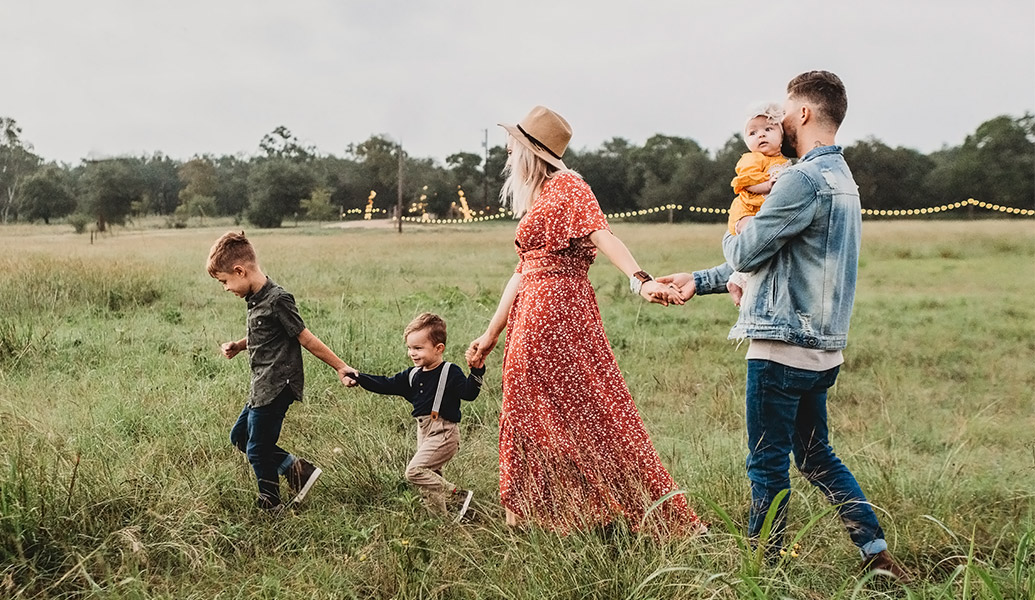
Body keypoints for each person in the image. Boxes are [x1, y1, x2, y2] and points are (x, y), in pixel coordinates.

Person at [658, 72, 909, 580]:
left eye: (786, 111)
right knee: (817, 456)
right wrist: (701, 280)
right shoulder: (843, 180)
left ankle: (761, 571)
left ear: (806, 114)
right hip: (823, 350)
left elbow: (749, 249)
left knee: (766, 462)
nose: (779, 120)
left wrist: (737, 229)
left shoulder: (800, 179)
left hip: (781, 346)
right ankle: (876, 555)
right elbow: (781, 257)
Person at [466, 105, 705, 535]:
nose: (506, 151)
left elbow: (603, 234)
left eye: (512, 145)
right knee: (531, 413)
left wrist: (640, 280)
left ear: (530, 151)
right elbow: (521, 272)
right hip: (533, 314)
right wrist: (490, 334)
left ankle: (620, 510)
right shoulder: (541, 195)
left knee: (591, 410)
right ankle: (536, 514)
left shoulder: (568, 186)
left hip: (557, 314)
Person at [207, 231, 355, 512]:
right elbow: (265, 335)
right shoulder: (256, 299)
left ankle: (271, 503)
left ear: (240, 271)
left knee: (257, 448)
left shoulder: (278, 299)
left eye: (225, 281)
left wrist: (341, 367)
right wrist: (239, 345)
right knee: (240, 437)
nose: (225, 288)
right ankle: (297, 470)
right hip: (261, 385)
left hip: (277, 385)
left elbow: (305, 337)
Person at [346, 313, 484, 521]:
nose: (412, 353)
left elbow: (469, 394)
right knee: (430, 483)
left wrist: (476, 371)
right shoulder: (412, 375)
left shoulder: (450, 371)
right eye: (410, 348)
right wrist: (359, 377)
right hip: (424, 432)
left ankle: (457, 496)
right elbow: (386, 384)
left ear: (439, 349)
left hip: (444, 433)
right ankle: (440, 525)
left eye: (418, 348)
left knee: (415, 472)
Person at [726, 103, 791, 306]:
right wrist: (768, 185)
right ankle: (739, 279)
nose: (760, 135)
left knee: (765, 245)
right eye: (753, 133)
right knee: (754, 237)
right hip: (747, 210)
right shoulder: (752, 159)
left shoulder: (784, 161)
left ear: (781, 136)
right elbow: (745, 182)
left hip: (762, 210)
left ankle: (739, 279)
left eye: (768, 129)